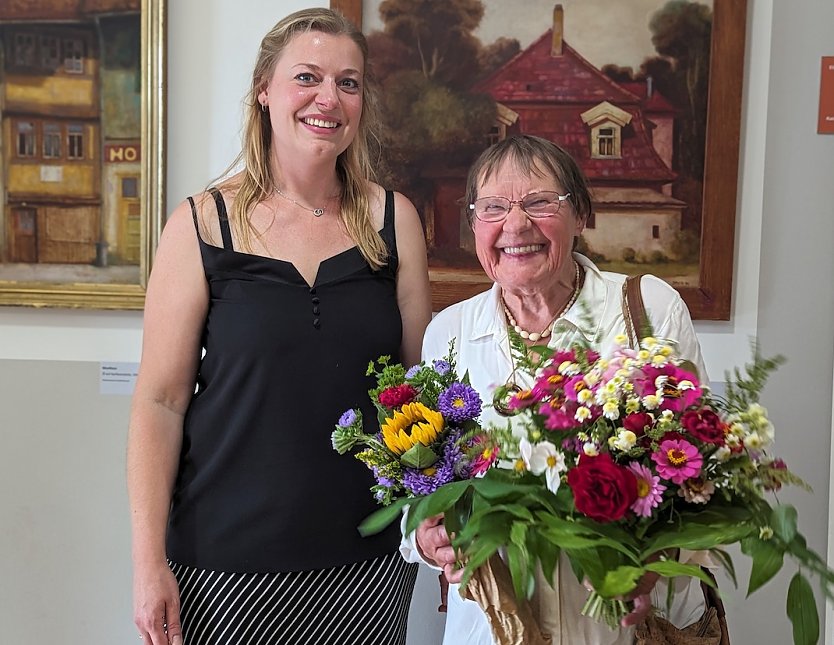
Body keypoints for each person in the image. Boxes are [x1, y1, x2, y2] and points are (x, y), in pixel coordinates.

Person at [127, 8, 432, 645]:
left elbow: (420, 398)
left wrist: (443, 522)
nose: (329, 98)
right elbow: (159, 403)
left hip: (367, 562)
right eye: (308, 77)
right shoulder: (201, 224)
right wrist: (147, 563)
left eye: (349, 83)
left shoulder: (393, 220)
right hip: (222, 565)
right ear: (265, 89)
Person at [400, 134, 711, 644]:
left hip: (620, 627)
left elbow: (703, 472)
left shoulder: (647, 309)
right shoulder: (448, 333)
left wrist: (658, 558)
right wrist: (427, 538)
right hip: (493, 627)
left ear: (580, 214)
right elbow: (423, 486)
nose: (515, 225)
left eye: (541, 202)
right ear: (474, 225)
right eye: (493, 207)